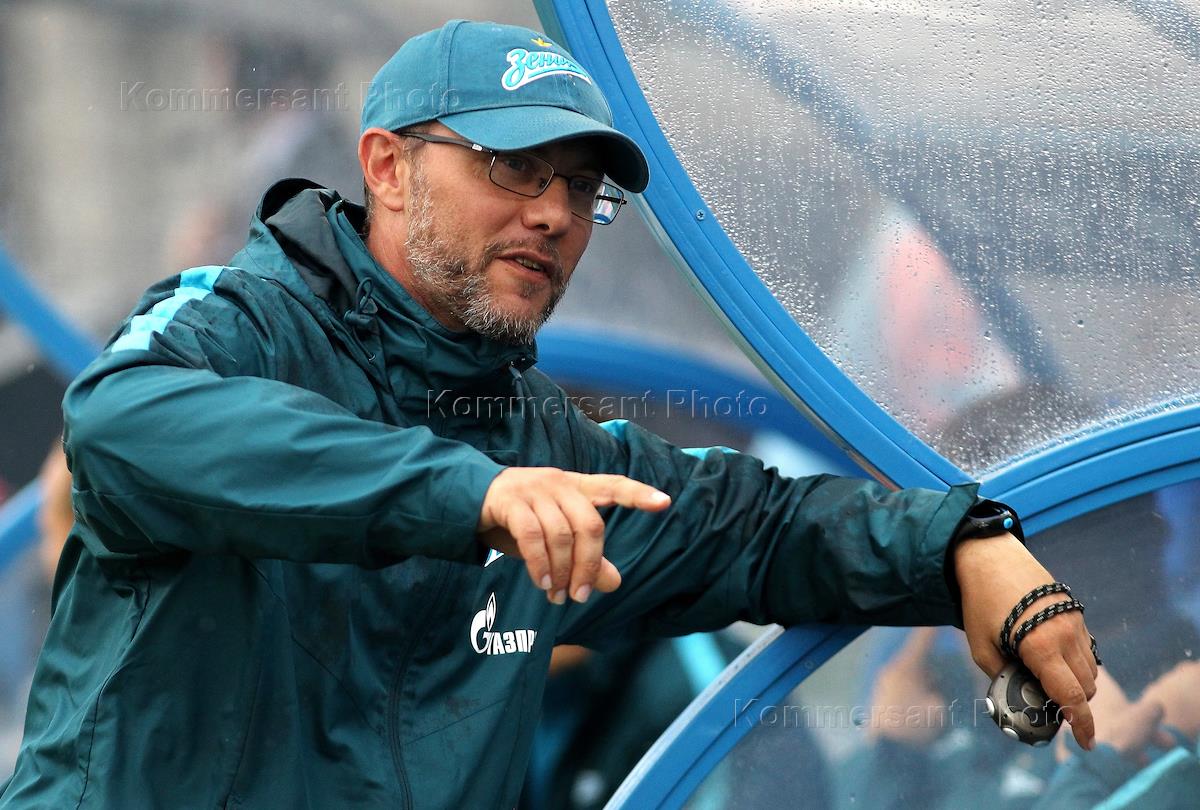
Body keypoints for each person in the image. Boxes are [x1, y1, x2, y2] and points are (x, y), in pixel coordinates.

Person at [1, 19, 1099, 809]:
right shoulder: (236, 323)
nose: (555, 215)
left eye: (581, 188)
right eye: (514, 166)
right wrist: (468, 494)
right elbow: (119, 425)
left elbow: (750, 528)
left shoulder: (538, 439)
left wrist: (961, 544)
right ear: (386, 167)